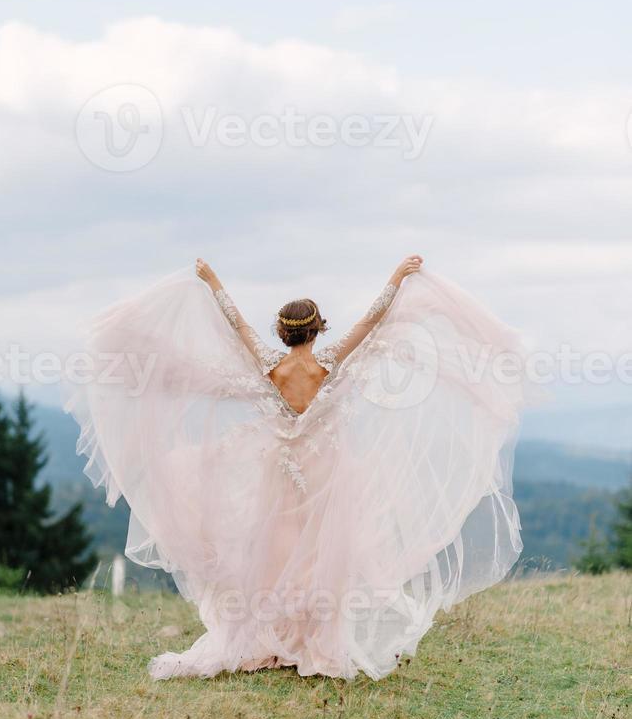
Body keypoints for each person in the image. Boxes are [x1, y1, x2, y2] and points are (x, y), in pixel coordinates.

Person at [66, 255, 528, 680]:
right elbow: (373, 318)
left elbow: (236, 322)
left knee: (276, 553)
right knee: (323, 557)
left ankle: (274, 638)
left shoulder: (270, 366)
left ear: (282, 332)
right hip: (326, 471)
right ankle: (317, 643)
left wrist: (212, 282)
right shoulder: (328, 363)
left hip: (279, 471)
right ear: (318, 329)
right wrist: (398, 276)